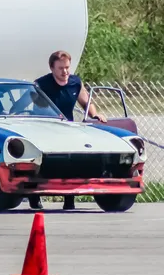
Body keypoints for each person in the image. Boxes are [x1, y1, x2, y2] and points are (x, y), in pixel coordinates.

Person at [28, 50, 107, 211]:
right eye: (60, 68)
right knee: (40, 164)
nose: (65, 72)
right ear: (52, 68)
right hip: (45, 129)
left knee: (70, 164)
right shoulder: (41, 84)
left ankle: (69, 200)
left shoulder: (75, 82)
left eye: (67, 68)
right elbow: (26, 104)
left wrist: (95, 114)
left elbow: (86, 102)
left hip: (67, 129)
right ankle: (34, 197)